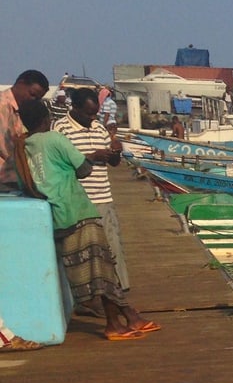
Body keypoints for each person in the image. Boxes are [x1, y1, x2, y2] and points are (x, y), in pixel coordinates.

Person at [17, 98, 158, 341]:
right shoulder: (54, 138)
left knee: (90, 271)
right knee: (103, 269)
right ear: (46, 119)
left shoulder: (24, 146)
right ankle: (114, 323)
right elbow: (83, 169)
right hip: (78, 210)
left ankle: (130, 315)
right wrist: (90, 157)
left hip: (55, 215)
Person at [57, 88, 130, 299]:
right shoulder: (60, 129)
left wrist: (115, 152)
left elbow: (114, 163)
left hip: (103, 197)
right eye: (88, 114)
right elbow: (61, 163)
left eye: (95, 113)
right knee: (82, 250)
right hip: (78, 200)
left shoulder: (99, 128)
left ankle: (120, 290)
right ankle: (87, 297)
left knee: (113, 244)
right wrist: (92, 155)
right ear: (75, 108)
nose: (92, 118)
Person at [0, 69, 50, 192]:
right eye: (32, 94)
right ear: (21, 83)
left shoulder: (22, 111)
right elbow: (6, 148)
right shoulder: (2, 106)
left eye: (37, 99)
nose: (32, 100)